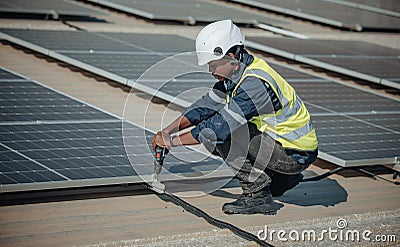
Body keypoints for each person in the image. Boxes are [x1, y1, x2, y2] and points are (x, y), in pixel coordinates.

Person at [152, 19, 318, 215]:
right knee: (221, 127)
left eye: (213, 65)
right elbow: (205, 106)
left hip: (294, 153)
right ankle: (280, 179)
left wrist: (171, 142)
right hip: (284, 145)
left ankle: (257, 195)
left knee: (223, 134)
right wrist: (168, 130)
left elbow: (216, 130)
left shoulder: (254, 84)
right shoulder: (237, 72)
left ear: (231, 56)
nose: (210, 71)